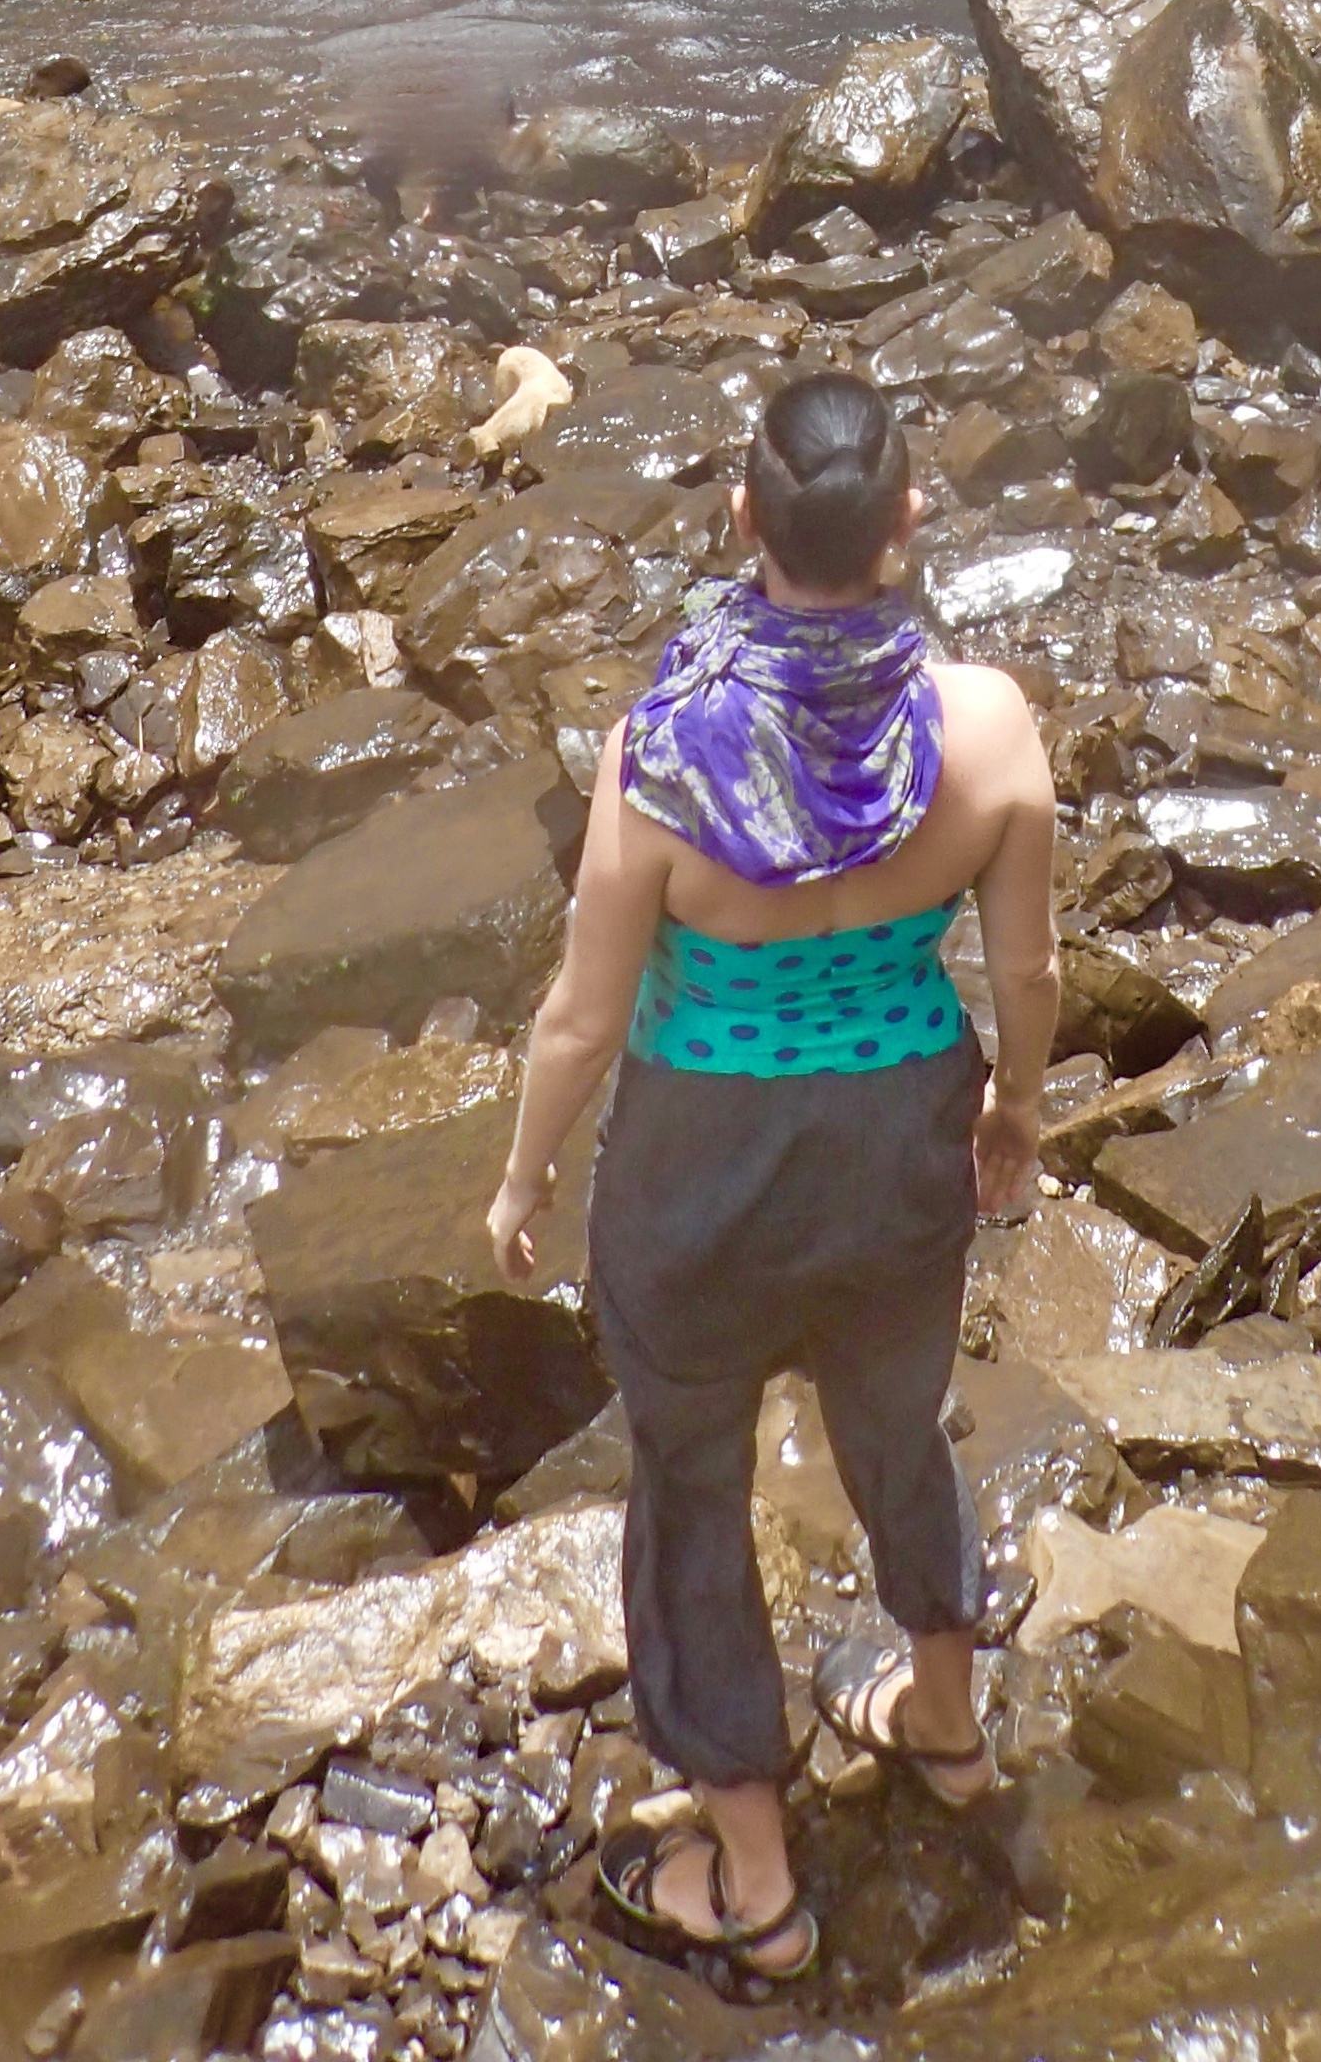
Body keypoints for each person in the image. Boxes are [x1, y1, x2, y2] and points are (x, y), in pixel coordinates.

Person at [485, 370, 1058, 2000]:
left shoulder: (662, 756)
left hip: (699, 1177)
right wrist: (1016, 1109)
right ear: (906, 524)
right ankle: (944, 1720)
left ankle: (753, 1881)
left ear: (744, 518)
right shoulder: (991, 732)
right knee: (896, 1427)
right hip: (897, 1151)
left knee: (690, 1485)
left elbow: (582, 1018)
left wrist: (524, 1178)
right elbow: (1029, 972)